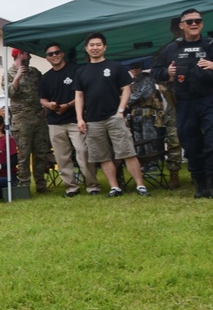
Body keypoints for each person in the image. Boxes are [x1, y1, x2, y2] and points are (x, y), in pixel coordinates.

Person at [152, 9, 213, 199]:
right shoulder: (171, 48)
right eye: (189, 21)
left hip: (209, 100)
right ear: (181, 25)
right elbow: (155, 73)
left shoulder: (211, 45)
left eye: (197, 21)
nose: (193, 24)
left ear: (202, 24)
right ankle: (200, 186)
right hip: (184, 103)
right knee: (191, 145)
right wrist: (167, 72)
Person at [74, 33, 150, 197]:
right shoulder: (81, 71)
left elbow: (126, 89)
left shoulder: (115, 66)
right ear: (87, 49)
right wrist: (80, 118)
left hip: (114, 117)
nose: (95, 48)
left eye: (98, 44)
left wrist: (120, 111)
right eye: (92, 45)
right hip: (92, 120)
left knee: (127, 152)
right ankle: (115, 187)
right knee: (103, 156)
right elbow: (79, 96)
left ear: (104, 47)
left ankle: (140, 186)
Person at [38, 42, 101, 196]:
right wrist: (49, 105)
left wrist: (67, 105)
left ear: (62, 53)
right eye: (50, 54)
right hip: (54, 122)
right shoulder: (46, 77)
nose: (54, 56)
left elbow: (83, 94)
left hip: (75, 119)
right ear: (46, 58)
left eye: (57, 52)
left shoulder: (76, 70)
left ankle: (92, 186)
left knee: (83, 152)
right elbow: (42, 99)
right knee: (62, 157)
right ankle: (71, 187)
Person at [4, 49, 52, 193]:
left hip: (38, 117)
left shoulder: (35, 72)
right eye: (26, 53)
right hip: (21, 120)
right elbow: (9, 93)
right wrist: (17, 78)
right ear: (19, 54)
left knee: (41, 153)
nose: (30, 56)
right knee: (23, 154)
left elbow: (44, 90)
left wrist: (46, 107)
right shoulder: (9, 74)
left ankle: (41, 186)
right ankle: (23, 187)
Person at [126, 62, 166, 170]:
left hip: (147, 113)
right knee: (138, 140)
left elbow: (143, 95)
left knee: (149, 139)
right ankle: (142, 163)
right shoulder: (131, 83)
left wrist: (126, 99)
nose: (134, 70)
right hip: (135, 115)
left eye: (136, 68)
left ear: (141, 69)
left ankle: (153, 163)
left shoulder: (147, 80)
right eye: (132, 68)